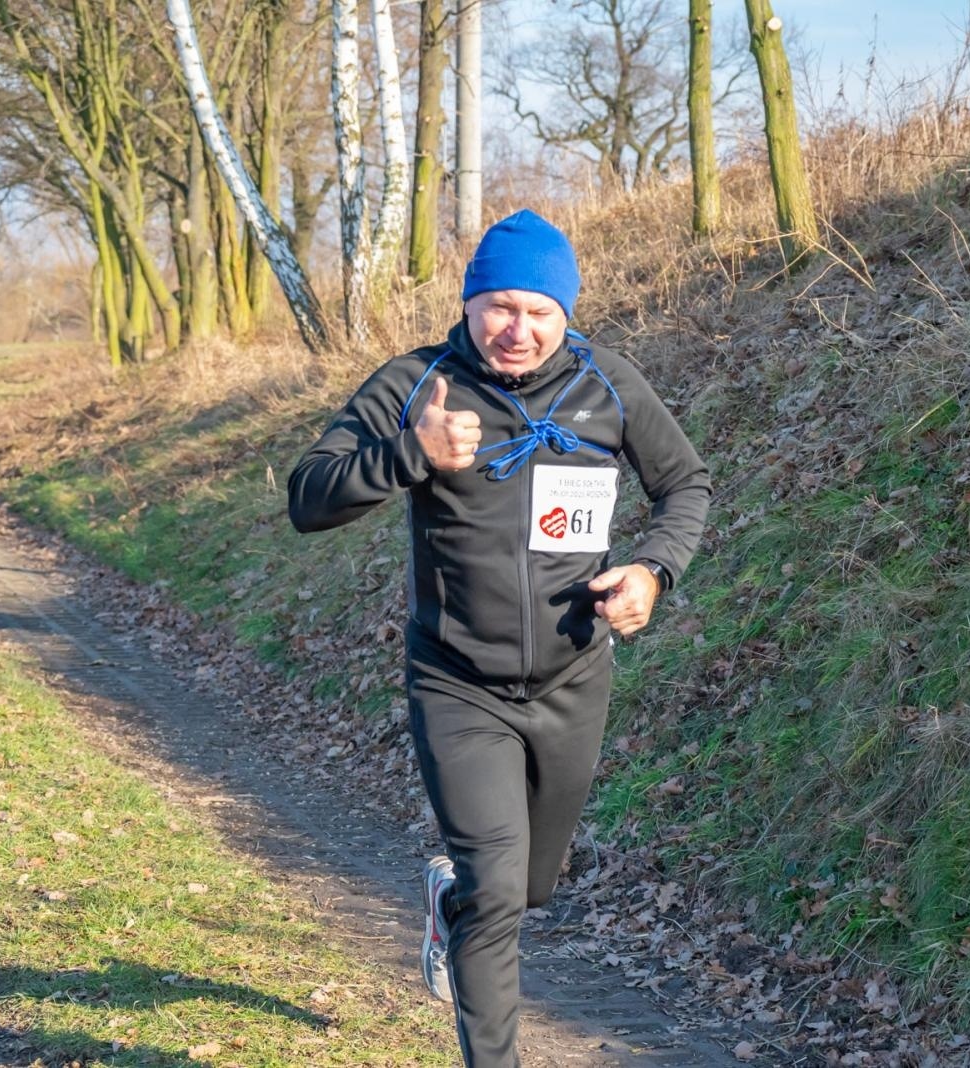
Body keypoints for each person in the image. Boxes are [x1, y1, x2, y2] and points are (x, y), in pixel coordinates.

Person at [287, 209, 710, 1067]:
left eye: (539, 312)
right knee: (496, 885)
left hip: (573, 678)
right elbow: (308, 497)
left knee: (527, 887)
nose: (517, 330)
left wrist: (653, 572)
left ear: (567, 314)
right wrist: (411, 453)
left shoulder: (608, 384)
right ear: (470, 301)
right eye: (499, 307)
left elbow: (687, 486)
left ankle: (453, 907)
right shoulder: (418, 382)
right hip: (456, 680)